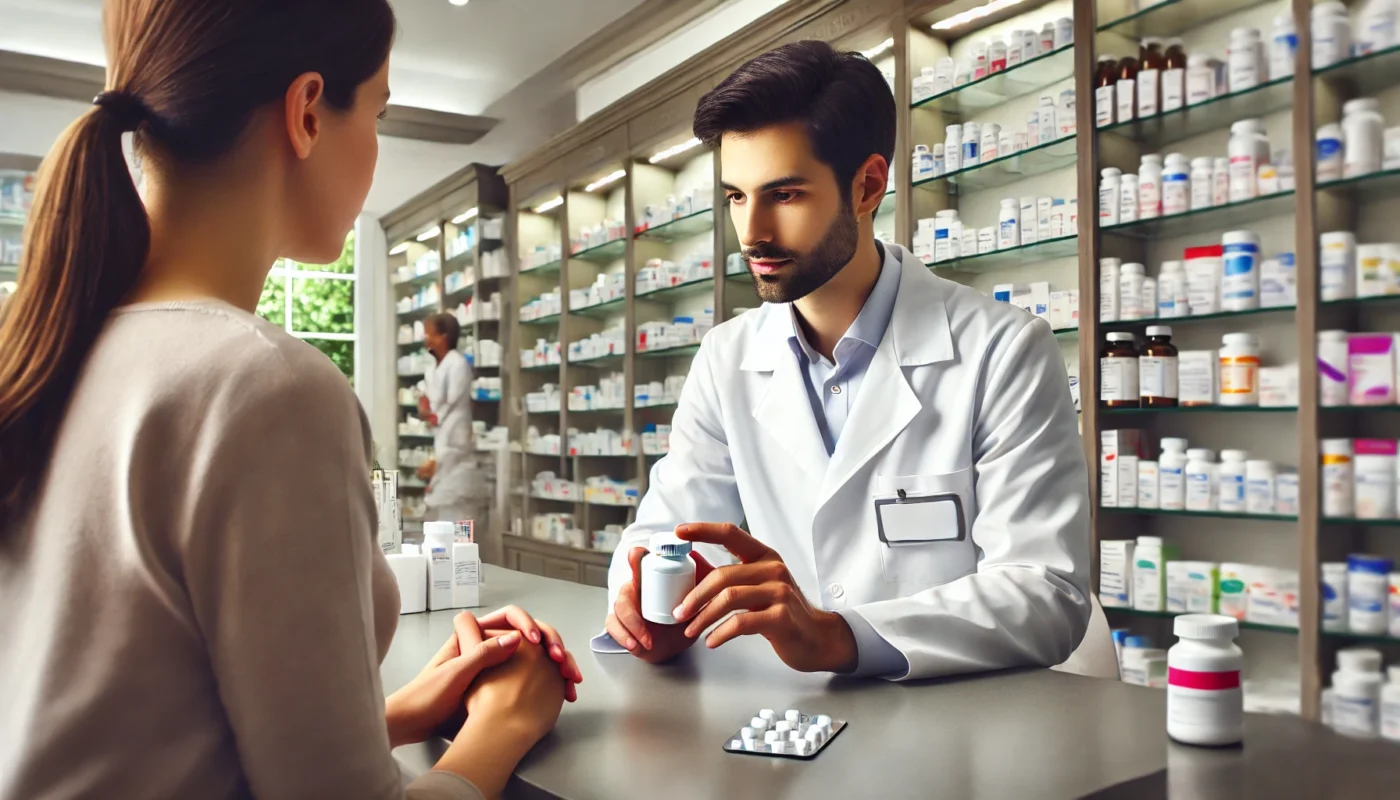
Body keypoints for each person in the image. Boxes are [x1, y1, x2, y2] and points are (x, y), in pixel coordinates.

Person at [0, 2, 580, 798]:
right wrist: (505, 722)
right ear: (308, 112)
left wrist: (398, 712)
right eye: (375, 111)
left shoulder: (49, 350)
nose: (373, 143)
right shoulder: (262, 386)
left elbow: (138, 734)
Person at [604, 40, 1091, 680]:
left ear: (866, 186)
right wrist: (652, 607)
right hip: (787, 720)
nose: (751, 232)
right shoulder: (727, 357)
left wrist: (839, 637)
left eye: (784, 194)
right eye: (735, 197)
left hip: (958, 726)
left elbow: (1044, 591)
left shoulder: (1002, 350)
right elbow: (664, 530)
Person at [417, 312, 485, 524]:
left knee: (456, 518)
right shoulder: (433, 367)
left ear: (444, 337)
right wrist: (424, 406)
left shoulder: (457, 364)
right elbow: (429, 398)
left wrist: (434, 414)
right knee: (440, 513)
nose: (426, 338)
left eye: (430, 334)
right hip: (443, 442)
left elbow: (452, 399)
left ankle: (460, 554)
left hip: (455, 439)